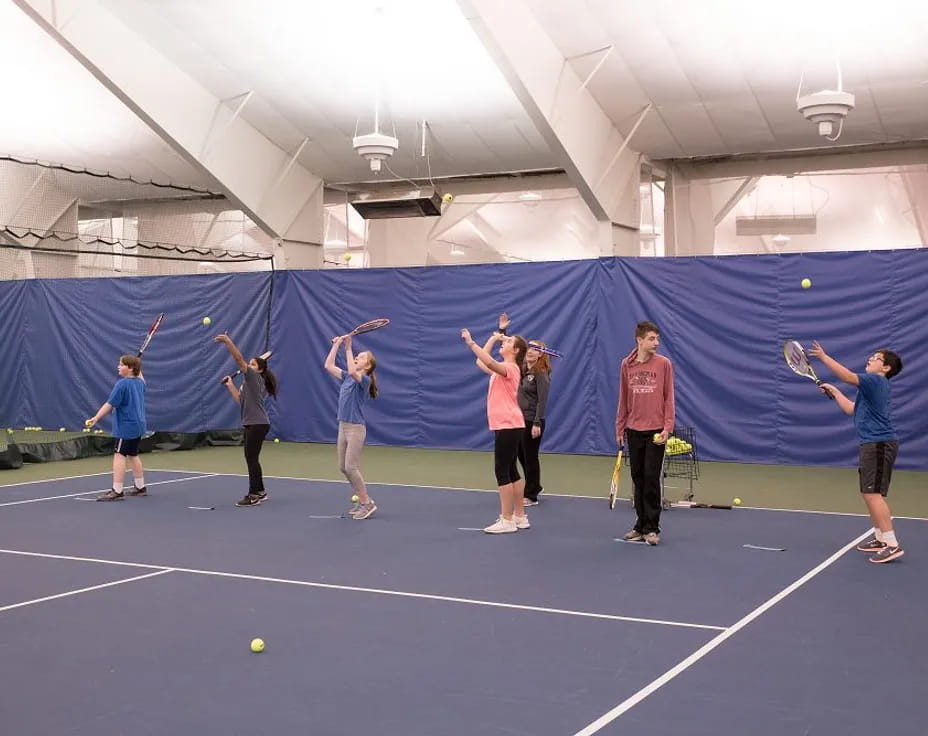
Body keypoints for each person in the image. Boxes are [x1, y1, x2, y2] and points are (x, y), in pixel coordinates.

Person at [810, 341, 905, 563]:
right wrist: (835, 392)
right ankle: (881, 538)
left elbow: (847, 376)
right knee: (868, 493)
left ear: (886, 368)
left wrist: (824, 357)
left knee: (873, 494)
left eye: (876, 358)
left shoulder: (876, 381)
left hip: (879, 444)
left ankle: (892, 544)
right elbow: (851, 409)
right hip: (871, 444)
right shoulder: (870, 387)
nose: (870, 359)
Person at [461, 325, 529, 534]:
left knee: (502, 471)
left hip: (508, 424)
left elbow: (488, 360)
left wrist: (471, 342)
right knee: (511, 471)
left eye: (508, 341)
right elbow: (481, 362)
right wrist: (492, 339)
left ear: (516, 351)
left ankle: (506, 520)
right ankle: (520, 516)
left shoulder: (511, 368)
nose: (504, 342)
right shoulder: (503, 369)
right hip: (510, 425)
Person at [615, 321, 675, 546]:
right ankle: (639, 526)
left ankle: (652, 527)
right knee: (638, 478)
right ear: (639, 340)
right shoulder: (626, 365)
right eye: (651, 339)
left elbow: (669, 397)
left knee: (651, 478)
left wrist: (667, 427)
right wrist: (619, 427)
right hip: (633, 429)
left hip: (656, 431)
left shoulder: (664, 364)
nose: (656, 343)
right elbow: (623, 398)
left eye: (657, 339)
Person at [215, 333, 278, 507]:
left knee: (251, 459)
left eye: (252, 364)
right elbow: (240, 401)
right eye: (249, 364)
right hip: (254, 423)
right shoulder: (248, 383)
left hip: (257, 424)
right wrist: (230, 385)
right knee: (252, 458)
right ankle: (261, 491)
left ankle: (253, 494)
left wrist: (228, 342)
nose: (249, 366)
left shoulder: (254, 377)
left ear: (259, 370)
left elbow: (238, 359)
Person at [498, 313, 552, 507]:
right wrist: (503, 330)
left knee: (530, 457)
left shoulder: (541, 374)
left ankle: (531, 494)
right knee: (520, 455)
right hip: (519, 419)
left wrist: (537, 422)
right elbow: (509, 347)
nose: (531, 351)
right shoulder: (521, 369)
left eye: (536, 349)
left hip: (532, 420)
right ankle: (535, 485)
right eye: (530, 347)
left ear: (540, 354)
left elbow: (542, 400)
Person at [324, 335, 379, 519]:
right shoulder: (347, 377)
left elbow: (353, 371)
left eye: (361, 357)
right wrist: (337, 345)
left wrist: (348, 348)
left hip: (356, 429)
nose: (357, 357)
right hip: (343, 427)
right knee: (343, 467)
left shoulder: (364, 381)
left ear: (368, 366)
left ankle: (367, 503)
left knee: (351, 466)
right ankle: (362, 500)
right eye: (357, 355)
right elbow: (328, 366)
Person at [87, 355, 148, 501]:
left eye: (121, 365)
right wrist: (137, 365)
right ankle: (140, 488)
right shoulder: (140, 382)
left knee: (119, 455)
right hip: (138, 425)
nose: (118, 367)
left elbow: (110, 404)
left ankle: (117, 490)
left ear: (130, 368)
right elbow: (140, 375)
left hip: (126, 427)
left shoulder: (122, 384)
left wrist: (96, 418)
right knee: (133, 454)